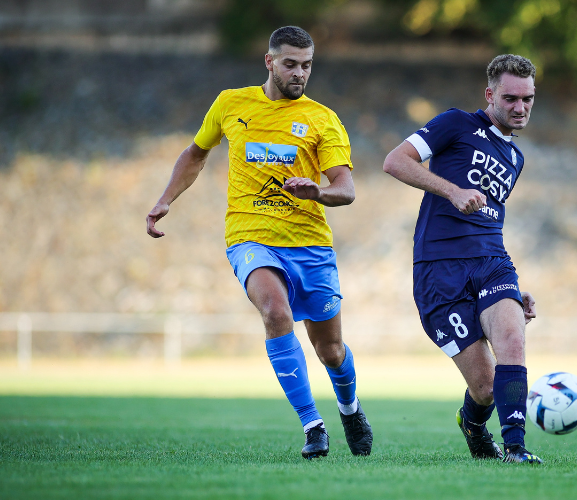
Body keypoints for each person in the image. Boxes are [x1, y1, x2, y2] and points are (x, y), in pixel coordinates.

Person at [145, 26, 371, 460]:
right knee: (275, 310)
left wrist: (316, 192)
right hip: (250, 237)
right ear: (269, 62)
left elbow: (346, 188)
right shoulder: (231, 103)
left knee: (331, 350)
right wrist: (164, 199)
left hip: (310, 245)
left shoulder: (323, 118)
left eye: (307, 66)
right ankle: (312, 424)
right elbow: (196, 154)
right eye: (290, 64)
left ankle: (350, 408)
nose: (300, 73)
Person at [382, 54, 542, 464]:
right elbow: (395, 161)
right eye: (510, 98)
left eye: (528, 99)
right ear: (490, 94)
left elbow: (491, 220)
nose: (520, 108)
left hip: (492, 261)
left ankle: (516, 449)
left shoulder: (515, 159)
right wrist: (451, 191)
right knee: (485, 387)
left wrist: (513, 290)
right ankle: (472, 423)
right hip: (439, 270)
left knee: (512, 339)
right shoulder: (455, 123)